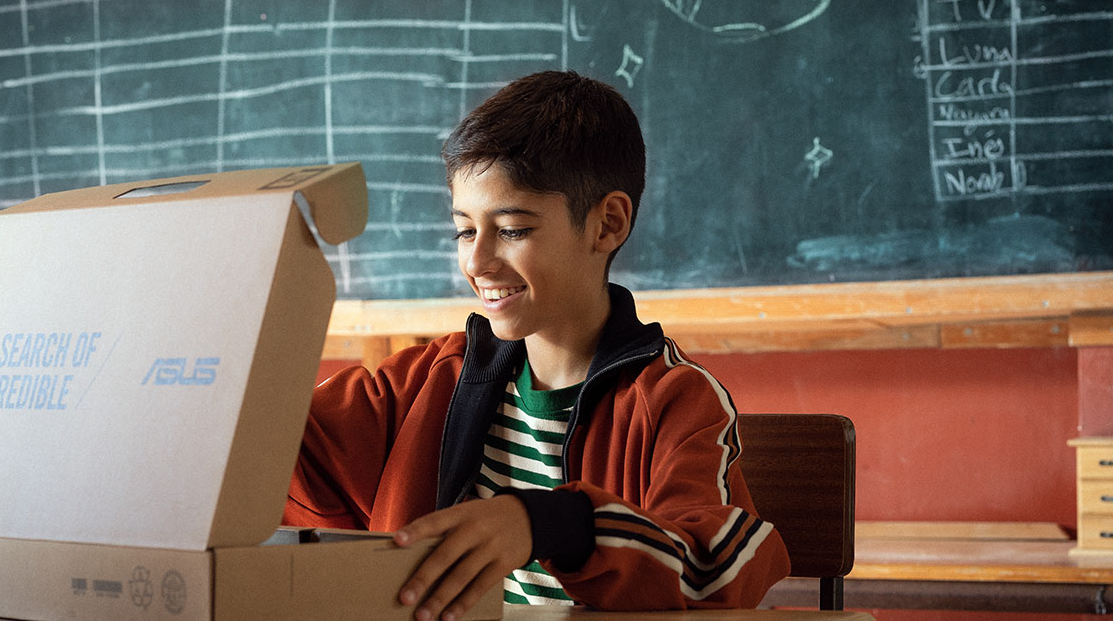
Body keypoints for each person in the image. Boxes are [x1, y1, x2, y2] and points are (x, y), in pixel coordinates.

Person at [283, 70, 790, 620]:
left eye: (513, 229)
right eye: (464, 230)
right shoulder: (427, 381)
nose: (477, 262)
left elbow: (717, 566)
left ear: (607, 225)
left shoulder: (673, 400)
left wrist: (545, 522)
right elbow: (262, 453)